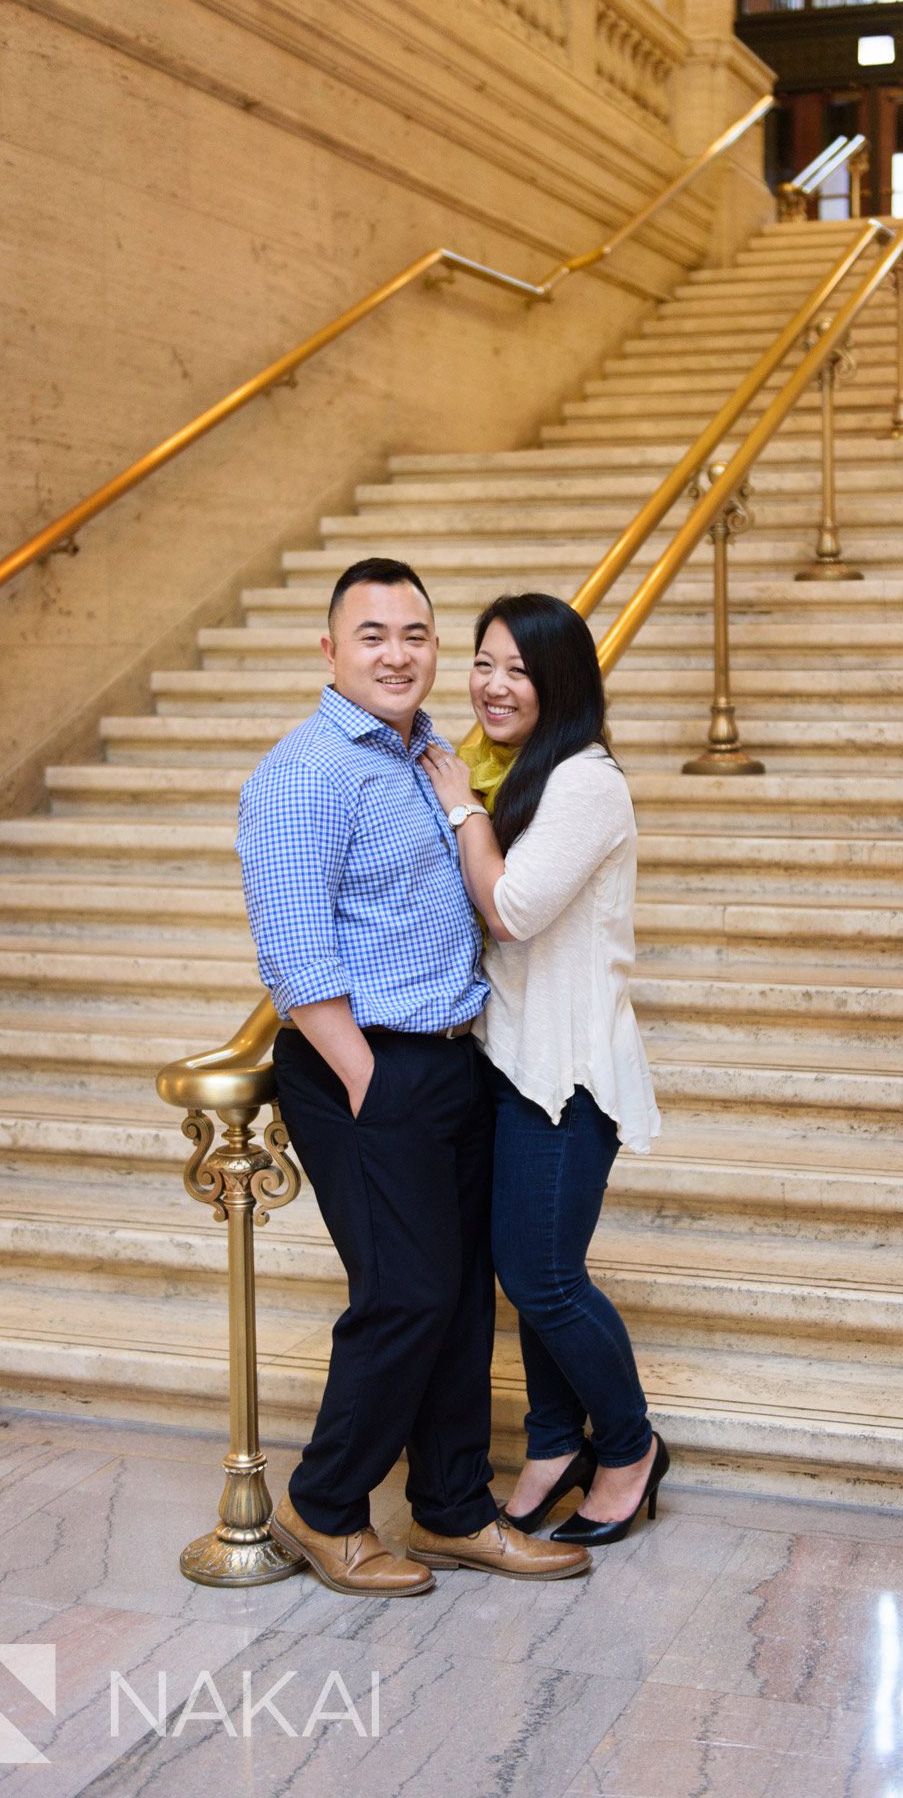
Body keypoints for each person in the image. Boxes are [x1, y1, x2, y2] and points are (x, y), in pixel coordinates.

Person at [235, 557, 590, 1594]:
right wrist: (366, 1078)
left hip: (450, 1061)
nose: (399, 653)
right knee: (407, 1291)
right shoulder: (303, 773)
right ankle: (326, 1501)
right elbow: (297, 957)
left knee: (464, 1300)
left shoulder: (429, 752)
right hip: (364, 1064)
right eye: (374, 634)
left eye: (417, 634)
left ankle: (452, 1506)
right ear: (330, 649)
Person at [422, 591, 669, 1546]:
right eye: (483, 662)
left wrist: (457, 811)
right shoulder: (521, 771)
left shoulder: (586, 781)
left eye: (518, 670)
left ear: (560, 683)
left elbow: (514, 909)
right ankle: (555, 1443)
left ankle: (632, 1445)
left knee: (545, 1277)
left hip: (565, 1074)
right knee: (524, 1275)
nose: (491, 684)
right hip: (507, 1059)